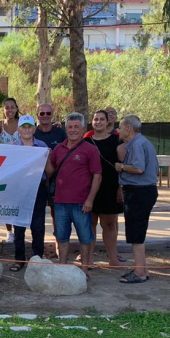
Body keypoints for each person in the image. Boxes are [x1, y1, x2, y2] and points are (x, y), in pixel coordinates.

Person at [45, 112, 101, 273]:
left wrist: (90, 200)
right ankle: (62, 268)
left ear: (83, 128)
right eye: (70, 127)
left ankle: (84, 270)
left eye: (77, 126)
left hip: (81, 203)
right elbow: (50, 172)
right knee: (61, 237)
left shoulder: (90, 149)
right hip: (61, 202)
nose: (73, 130)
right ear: (66, 128)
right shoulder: (58, 149)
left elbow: (97, 176)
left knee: (85, 237)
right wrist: (48, 158)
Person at [115, 115, 158, 284]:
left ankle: (140, 272)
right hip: (140, 191)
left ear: (128, 128)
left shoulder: (137, 144)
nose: (118, 130)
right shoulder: (140, 142)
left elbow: (139, 169)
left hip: (138, 192)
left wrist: (121, 167)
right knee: (136, 232)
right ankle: (142, 269)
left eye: (120, 126)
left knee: (136, 234)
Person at [87, 109, 124, 268]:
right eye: (96, 119)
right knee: (90, 224)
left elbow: (123, 167)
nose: (99, 122)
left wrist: (120, 188)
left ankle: (113, 259)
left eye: (102, 119)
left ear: (107, 121)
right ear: (92, 122)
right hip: (89, 189)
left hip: (111, 187)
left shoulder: (117, 141)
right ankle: (88, 259)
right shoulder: (86, 142)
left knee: (109, 224)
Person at [11, 115, 48, 271]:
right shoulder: (12, 148)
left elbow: (49, 170)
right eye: (23, 127)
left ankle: (37, 259)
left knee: (38, 225)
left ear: (34, 129)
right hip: (19, 189)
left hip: (38, 187)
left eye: (29, 127)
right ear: (18, 130)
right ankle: (19, 259)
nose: (26, 130)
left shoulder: (42, 146)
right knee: (19, 226)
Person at [36, 103, 65, 256]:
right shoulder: (32, 133)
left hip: (57, 180)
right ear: (37, 116)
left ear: (52, 115)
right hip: (38, 181)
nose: (45, 116)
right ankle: (38, 250)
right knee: (39, 216)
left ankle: (59, 247)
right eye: (42, 113)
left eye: (48, 113)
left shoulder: (60, 133)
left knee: (57, 215)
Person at [0, 97, 21, 243]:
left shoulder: (23, 123)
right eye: (7, 107)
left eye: (12, 107)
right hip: (4, 169)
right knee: (7, 201)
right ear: (3, 110)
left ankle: (19, 229)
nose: (10, 110)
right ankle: (9, 231)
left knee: (19, 200)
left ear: (16, 109)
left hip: (22, 169)